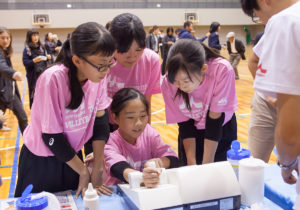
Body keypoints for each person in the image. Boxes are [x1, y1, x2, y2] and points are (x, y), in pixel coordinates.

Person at [14, 22, 116, 198]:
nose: (106, 71)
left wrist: (98, 167)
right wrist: (83, 171)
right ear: (77, 60)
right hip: (42, 162)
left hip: (72, 156)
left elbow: (100, 123)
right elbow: (51, 136)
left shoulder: (98, 77)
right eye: (101, 65)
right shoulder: (52, 79)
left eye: (110, 63)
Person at [240, 0, 300, 208]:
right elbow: (253, 61)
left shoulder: (284, 22)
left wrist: (287, 162)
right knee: (255, 163)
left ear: (264, 2)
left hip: (288, 111)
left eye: (257, 15)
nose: (262, 21)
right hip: (268, 105)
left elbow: (290, 137)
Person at [161, 39, 237, 166]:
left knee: (215, 174)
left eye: (185, 81)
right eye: (176, 82)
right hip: (192, 134)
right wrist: (192, 162)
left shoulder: (221, 70)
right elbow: (185, 124)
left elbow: (215, 120)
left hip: (220, 129)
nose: (181, 87)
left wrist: (206, 166)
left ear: (203, 69)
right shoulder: (168, 82)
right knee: (191, 172)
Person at [102, 88, 179, 186]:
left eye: (143, 116)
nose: (138, 123)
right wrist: (141, 177)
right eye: (130, 117)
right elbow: (118, 167)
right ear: (115, 118)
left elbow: (173, 159)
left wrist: (160, 162)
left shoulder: (149, 133)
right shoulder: (110, 141)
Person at [107, 13, 161, 126]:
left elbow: (146, 102)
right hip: (105, 124)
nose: (132, 57)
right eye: (124, 50)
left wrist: (146, 133)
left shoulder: (151, 61)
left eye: (138, 50)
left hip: (135, 126)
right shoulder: (102, 61)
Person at [0, 27, 28, 134]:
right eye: (2, 38)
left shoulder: (5, 52)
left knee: (23, 117)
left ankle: (28, 144)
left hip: (9, 92)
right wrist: (14, 73)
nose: (6, 40)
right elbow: (1, 66)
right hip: (2, 93)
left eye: (8, 38)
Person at [23, 29, 51, 108]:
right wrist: (34, 60)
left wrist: (48, 58)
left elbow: (45, 59)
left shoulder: (42, 47)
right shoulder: (27, 49)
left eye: (37, 35)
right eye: (33, 35)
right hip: (33, 76)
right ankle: (34, 110)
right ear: (30, 37)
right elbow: (25, 63)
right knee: (34, 94)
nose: (36, 37)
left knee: (44, 92)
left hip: (43, 73)